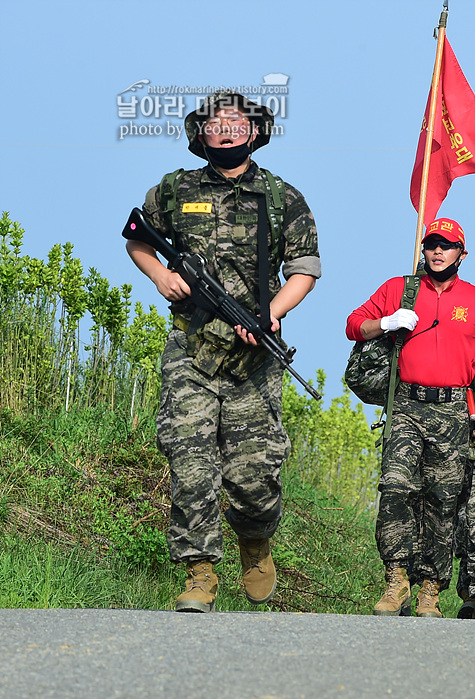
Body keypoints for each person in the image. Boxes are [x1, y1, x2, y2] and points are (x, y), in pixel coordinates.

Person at [126, 91, 321, 612]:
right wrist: (160, 275)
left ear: (256, 132)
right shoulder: (174, 189)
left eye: (240, 122)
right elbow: (138, 239)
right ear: (201, 133)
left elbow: (304, 269)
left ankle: (255, 545)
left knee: (254, 476)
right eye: (218, 122)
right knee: (190, 461)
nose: (229, 129)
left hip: (253, 358)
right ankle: (199, 574)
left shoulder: (282, 197)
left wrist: (273, 312)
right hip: (191, 349)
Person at [346, 217, 475, 617]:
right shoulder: (398, 289)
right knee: (396, 488)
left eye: (447, 245)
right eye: (432, 244)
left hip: (453, 410)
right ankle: (396, 579)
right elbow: (353, 325)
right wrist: (385, 322)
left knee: (443, 501)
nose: (438, 251)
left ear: (462, 253)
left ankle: (431, 590)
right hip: (406, 404)